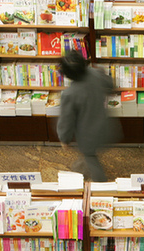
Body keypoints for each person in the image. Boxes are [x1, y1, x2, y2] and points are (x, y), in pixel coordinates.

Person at [58, 50, 122, 182]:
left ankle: (101, 185)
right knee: (88, 154)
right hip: (105, 126)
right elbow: (110, 84)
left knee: (91, 157)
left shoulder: (69, 94)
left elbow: (66, 120)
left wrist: (64, 139)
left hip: (87, 135)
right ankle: (81, 165)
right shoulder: (96, 73)